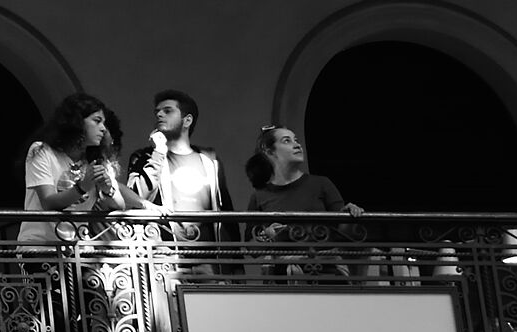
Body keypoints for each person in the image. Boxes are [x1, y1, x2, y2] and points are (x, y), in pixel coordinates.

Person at [20, 92, 154, 247]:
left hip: (78, 250)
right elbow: (49, 202)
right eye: (97, 121)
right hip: (40, 248)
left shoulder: (97, 161)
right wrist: (82, 187)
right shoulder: (42, 151)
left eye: (104, 123)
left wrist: (107, 189)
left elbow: (119, 205)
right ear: (76, 122)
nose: (103, 129)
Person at [129, 89, 230, 243]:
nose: (159, 115)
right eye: (157, 112)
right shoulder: (144, 157)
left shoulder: (210, 161)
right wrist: (158, 152)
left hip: (209, 257)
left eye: (167, 111)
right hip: (164, 257)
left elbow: (226, 211)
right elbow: (135, 200)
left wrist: (235, 264)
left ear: (187, 121)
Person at [246, 126, 362, 216]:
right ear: (270, 152)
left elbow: (342, 230)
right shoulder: (259, 196)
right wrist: (266, 235)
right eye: (287, 141)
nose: (297, 145)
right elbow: (250, 242)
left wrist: (349, 213)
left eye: (296, 140)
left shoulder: (321, 184)